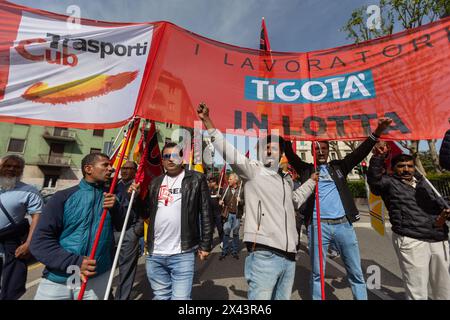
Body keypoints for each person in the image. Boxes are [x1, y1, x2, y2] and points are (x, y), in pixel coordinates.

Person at [197, 103, 318, 300]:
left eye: (275, 148)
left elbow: (295, 201)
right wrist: (208, 122)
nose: (270, 151)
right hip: (264, 254)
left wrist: (312, 182)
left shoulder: (286, 180)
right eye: (267, 148)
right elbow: (230, 152)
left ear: (281, 154)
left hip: (289, 256)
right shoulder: (253, 171)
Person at [284, 117, 393, 300]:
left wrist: (378, 132)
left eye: (324, 148)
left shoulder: (339, 166)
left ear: (328, 151)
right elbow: (289, 152)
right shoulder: (305, 169)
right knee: (318, 273)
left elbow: (360, 152)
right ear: (312, 150)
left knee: (356, 272)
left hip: (344, 226)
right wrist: (283, 130)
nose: (320, 151)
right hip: (318, 227)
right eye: (317, 148)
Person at [30, 153, 125, 300]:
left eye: (110, 165)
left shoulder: (111, 198)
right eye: (105, 165)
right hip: (59, 278)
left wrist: (116, 208)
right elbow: (40, 241)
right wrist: (76, 262)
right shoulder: (62, 197)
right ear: (88, 169)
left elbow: (123, 226)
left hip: (97, 278)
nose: (111, 169)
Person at [130, 142, 213, 300]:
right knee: (161, 296)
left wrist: (206, 244)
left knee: (181, 299)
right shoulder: (155, 182)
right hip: (155, 253)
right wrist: (137, 199)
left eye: (174, 156)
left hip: (182, 253)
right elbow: (146, 214)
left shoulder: (196, 179)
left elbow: (206, 213)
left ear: (181, 159)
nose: (170, 159)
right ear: (162, 160)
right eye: (166, 156)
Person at [368, 145, 450, 300]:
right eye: (401, 166)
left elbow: (441, 203)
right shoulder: (388, 184)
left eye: (410, 166)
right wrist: (378, 157)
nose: (406, 169)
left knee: (444, 288)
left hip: (439, 238)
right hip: (412, 239)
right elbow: (374, 180)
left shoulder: (425, 183)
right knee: (417, 290)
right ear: (393, 169)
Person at [0, 155, 43, 300]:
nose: (11, 169)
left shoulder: (29, 191)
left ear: (22, 171)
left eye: (17, 167)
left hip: (9, 246)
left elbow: (38, 218)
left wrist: (29, 244)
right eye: (7, 166)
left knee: (8, 289)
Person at [114, 160, 145, 300]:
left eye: (128, 168)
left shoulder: (140, 186)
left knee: (126, 270)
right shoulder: (114, 184)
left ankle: (122, 297)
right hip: (111, 232)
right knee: (104, 269)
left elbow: (145, 211)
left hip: (129, 232)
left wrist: (136, 231)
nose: (124, 170)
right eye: (123, 168)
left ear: (135, 171)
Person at [218, 173, 244, 260]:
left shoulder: (241, 190)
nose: (228, 180)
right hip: (227, 213)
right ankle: (224, 251)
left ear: (235, 180)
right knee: (226, 232)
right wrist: (220, 202)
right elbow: (222, 199)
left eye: (230, 179)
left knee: (236, 233)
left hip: (237, 214)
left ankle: (234, 251)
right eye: (229, 179)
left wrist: (240, 201)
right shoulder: (226, 189)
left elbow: (244, 202)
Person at [208, 177, 224, 245]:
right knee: (210, 229)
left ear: (215, 182)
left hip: (218, 212)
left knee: (220, 228)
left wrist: (220, 197)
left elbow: (224, 199)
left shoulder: (221, 190)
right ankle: (210, 242)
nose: (209, 183)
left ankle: (222, 241)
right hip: (210, 213)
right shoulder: (209, 190)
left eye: (211, 182)